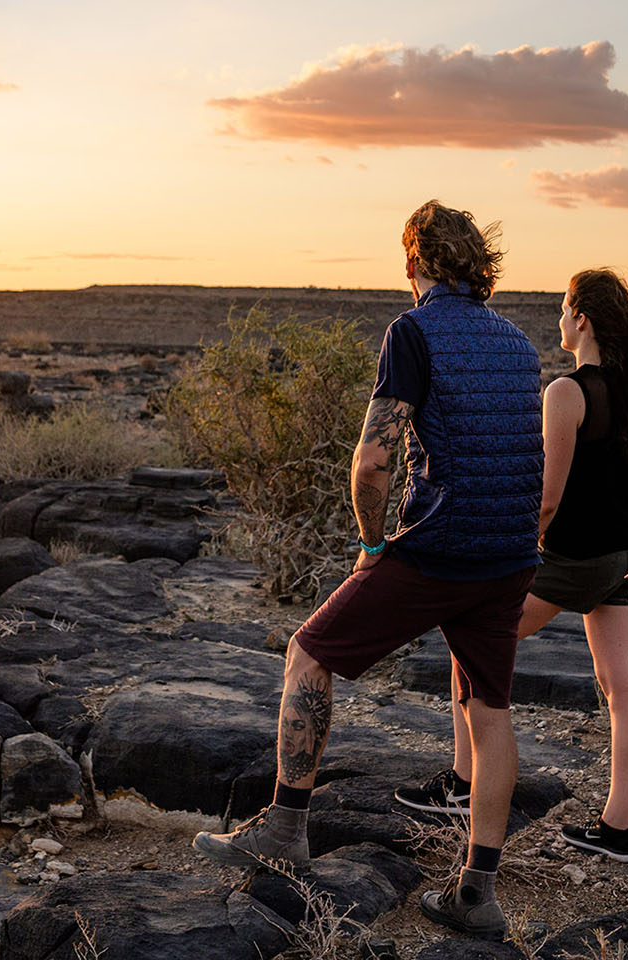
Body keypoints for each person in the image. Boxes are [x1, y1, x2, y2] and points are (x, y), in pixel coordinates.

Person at [192, 200, 545, 941]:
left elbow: (374, 457)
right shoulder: (518, 340)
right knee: (491, 711)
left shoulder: (411, 331)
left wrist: (372, 541)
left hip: (437, 547)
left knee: (308, 655)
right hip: (510, 555)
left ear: (415, 262)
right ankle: (476, 891)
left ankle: (285, 829)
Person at [394, 269, 628, 865]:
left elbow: (546, 497)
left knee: (471, 639)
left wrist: (515, 547)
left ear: (582, 319)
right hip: (623, 556)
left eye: (566, 309)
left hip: (567, 558)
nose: (560, 320)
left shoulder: (566, 393)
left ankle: (464, 785)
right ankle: (619, 828)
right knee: (625, 687)